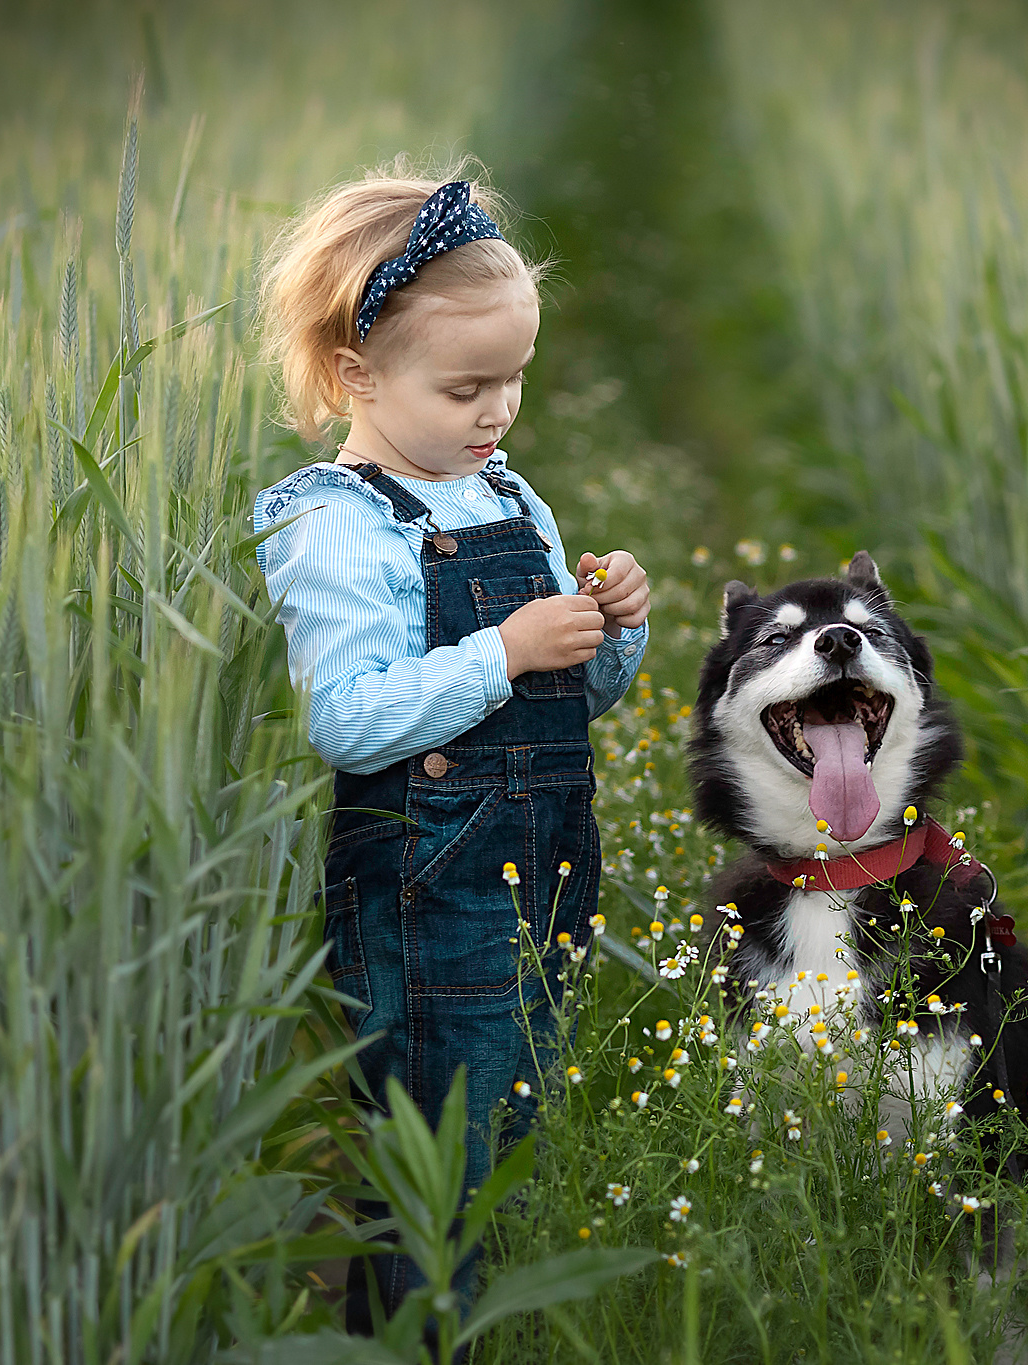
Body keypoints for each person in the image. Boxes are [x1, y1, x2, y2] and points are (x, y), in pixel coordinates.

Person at [250, 160, 651, 1337]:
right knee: (436, 1163)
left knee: (507, 1130)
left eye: (514, 381)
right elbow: (350, 719)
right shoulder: (333, 522)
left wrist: (611, 627)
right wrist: (505, 653)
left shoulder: (510, 500)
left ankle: (464, 1329)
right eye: (467, 386)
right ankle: (411, 1339)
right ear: (354, 375)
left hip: (542, 870)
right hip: (427, 897)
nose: (497, 413)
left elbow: (575, 700)